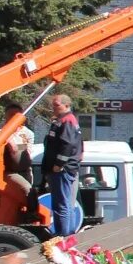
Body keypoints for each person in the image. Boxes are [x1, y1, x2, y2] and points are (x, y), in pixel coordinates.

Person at [41, 94, 83, 235]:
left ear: (66, 105)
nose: (53, 108)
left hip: (62, 170)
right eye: (53, 105)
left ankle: (63, 237)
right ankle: (66, 234)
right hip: (64, 169)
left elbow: (68, 144)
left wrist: (58, 164)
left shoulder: (67, 121)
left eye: (57, 105)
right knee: (65, 205)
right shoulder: (63, 120)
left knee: (62, 205)